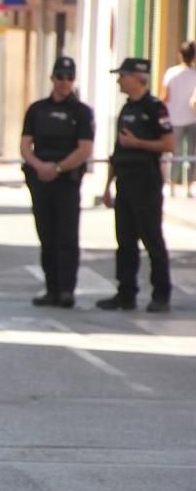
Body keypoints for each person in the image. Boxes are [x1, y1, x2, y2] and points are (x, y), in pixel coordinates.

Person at [98, 58, 174, 313]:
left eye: (123, 75)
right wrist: (108, 186)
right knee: (125, 240)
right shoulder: (126, 109)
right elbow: (117, 150)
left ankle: (161, 294)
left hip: (146, 181)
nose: (119, 80)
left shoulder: (155, 108)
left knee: (152, 238)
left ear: (137, 77)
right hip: (125, 181)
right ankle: (125, 293)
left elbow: (168, 144)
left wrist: (138, 143)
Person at [20, 57, 95, 309]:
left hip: (67, 180)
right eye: (60, 77)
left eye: (69, 78)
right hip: (41, 180)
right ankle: (51, 288)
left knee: (67, 237)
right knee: (47, 237)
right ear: (52, 78)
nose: (64, 82)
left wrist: (59, 167)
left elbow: (84, 149)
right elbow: (25, 145)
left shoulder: (81, 113)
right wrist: (40, 166)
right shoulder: (37, 110)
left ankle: (66, 290)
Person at [159, 41, 196, 197]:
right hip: (192, 118)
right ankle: (189, 186)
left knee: (175, 153)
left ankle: (172, 185)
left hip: (174, 118)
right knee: (192, 153)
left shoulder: (171, 73)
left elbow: (165, 97)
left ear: (180, 55)